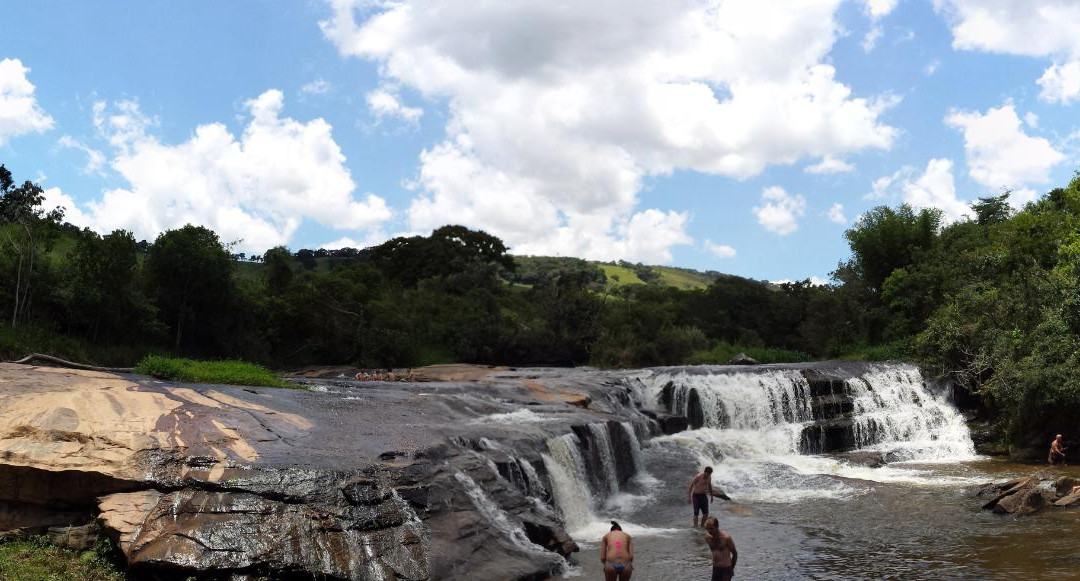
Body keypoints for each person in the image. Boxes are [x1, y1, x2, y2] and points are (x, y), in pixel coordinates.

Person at [703, 516, 737, 581]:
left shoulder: (726, 538)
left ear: (717, 526)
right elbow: (714, 552)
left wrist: (731, 569)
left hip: (726, 569)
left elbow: (735, 554)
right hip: (715, 568)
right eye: (707, 529)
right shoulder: (708, 538)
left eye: (711, 529)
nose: (709, 531)